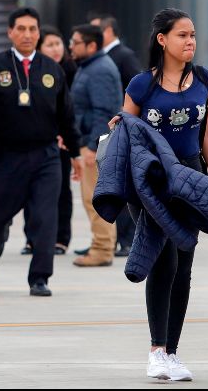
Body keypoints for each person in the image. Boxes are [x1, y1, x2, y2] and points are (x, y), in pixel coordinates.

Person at [115, 8, 208, 382]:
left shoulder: (204, 80)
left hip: (191, 177)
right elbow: (123, 134)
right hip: (153, 179)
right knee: (165, 261)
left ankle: (173, 352)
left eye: (192, 35)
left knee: (185, 265)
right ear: (162, 40)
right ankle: (156, 351)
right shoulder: (142, 85)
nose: (190, 41)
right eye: (182, 35)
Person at [0, 7, 81, 297]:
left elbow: (66, 115)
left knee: (45, 218)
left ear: (39, 33)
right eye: (20, 29)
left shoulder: (52, 69)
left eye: (32, 29)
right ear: (10, 32)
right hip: (6, 157)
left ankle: (40, 277)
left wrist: (75, 152)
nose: (27, 34)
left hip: (45, 157)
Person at [20, 26, 79, 256]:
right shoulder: (30, 70)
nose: (56, 49)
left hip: (63, 140)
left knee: (61, 190)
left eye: (58, 43)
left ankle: (61, 238)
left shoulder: (71, 70)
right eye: (50, 45)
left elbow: (73, 107)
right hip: (37, 138)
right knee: (30, 191)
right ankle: (31, 238)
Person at [68, 24, 122, 267]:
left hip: (97, 144)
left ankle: (102, 249)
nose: (71, 46)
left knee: (94, 198)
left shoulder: (99, 70)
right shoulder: (89, 67)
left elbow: (104, 111)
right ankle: (101, 244)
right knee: (91, 196)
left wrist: (92, 147)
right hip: (90, 141)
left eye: (75, 42)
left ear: (91, 45)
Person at [88, 13, 141, 258]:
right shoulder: (102, 57)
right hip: (110, 126)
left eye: (97, 31)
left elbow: (137, 88)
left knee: (123, 184)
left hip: (123, 126)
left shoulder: (124, 56)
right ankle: (115, 239)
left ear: (109, 32)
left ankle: (128, 240)